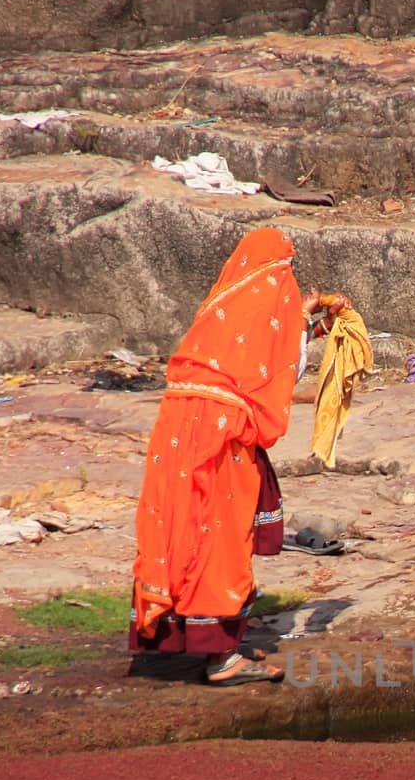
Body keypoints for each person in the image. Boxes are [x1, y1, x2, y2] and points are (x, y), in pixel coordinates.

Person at [130, 227, 333, 684]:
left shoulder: (222, 304)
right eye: (288, 267)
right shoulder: (273, 294)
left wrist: (304, 321)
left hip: (179, 427)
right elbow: (275, 374)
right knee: (220, 538)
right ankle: (220, 659)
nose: (290, 276)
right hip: (223, 435)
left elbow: (255, 354)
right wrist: (306, 322)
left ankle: (182, 634)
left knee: (180, 527)